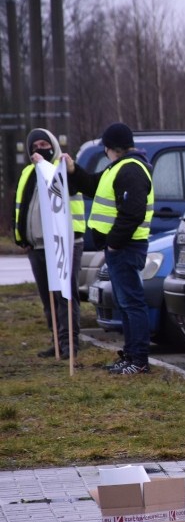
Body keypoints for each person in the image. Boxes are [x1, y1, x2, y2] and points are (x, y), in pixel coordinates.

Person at [65, 122, 155, 375]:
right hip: (120, 249)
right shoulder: (118, 168)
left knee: (131, 303)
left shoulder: (130, 170)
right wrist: (74, 171)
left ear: (108, 147)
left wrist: (113, 243)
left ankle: (138, 360)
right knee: (126, 304)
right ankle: (131, 356)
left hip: (125, 248)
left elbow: (132, 213)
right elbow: (93, 185)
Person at [15, 128, 85, 359]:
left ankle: (70, 344)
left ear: (53, 145)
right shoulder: (28, 172)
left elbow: (73, 188)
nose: (39, 149)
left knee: (65, 295)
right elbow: (22, 207)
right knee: (48, 299)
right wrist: (22, 238)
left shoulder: (62, 169)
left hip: (65, 243)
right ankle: (56, 340)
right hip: (36, 247)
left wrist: (69, 168)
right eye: (35, 145)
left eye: (45, 144)